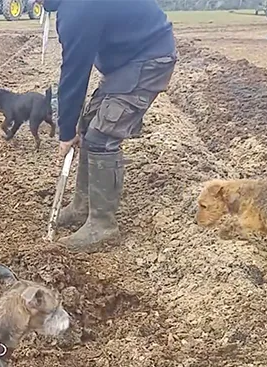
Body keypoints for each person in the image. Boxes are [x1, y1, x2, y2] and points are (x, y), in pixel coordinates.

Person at [42, 0, 177, 251]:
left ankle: (102, 224)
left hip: (150, 58)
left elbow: (75, 71)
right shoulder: (73, 8)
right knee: (90, 125)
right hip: (127, 60)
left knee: (101, 137)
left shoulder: (76, 10)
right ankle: (82, 207)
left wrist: (66, 130)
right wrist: (73, 127)